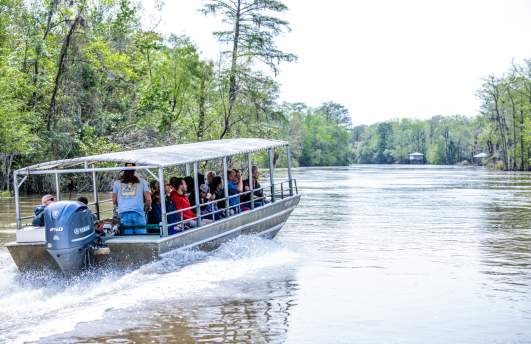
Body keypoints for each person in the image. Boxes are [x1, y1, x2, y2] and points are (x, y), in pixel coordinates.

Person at [112, 163, 151, 235]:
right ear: (134, 170)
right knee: (141, 237)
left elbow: (114, 200)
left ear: (124, 170)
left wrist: (122, 204)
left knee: (128, 238)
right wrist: (147, 207)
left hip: (123, 213)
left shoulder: (116, 183)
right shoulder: (142, 182)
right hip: (138, 212)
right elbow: (148, 199)